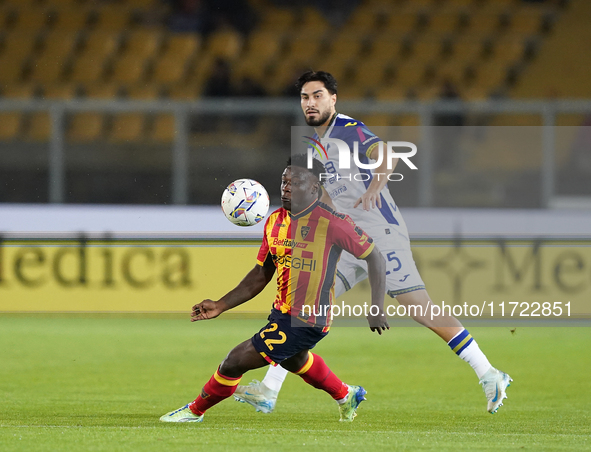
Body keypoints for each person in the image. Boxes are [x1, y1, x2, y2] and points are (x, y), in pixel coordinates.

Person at [234, 71, 512, 415]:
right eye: (305, 97)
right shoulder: (312, 144)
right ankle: (270, 390)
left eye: (318, 96)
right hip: (346, 234)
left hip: (380, 232)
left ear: (333, 99)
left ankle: (489, 373)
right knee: (302, 306)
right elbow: (324, 194)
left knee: (420, 308)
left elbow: (386, 154)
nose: (310, 103)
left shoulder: (347, 130)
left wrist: (375, 187)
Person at [160, 155, 388, 423]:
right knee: (295, 361)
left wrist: (376, 306)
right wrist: (220, 304)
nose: (286, 187)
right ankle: (345, 394)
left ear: (315, 187)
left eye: (296, 182)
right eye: (284, 181)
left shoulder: (333, 223)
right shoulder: (274, 221)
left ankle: (194, 411)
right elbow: (261, 274)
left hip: (307, 319)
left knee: (234, 361)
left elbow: (375, 257)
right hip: (282, 312)